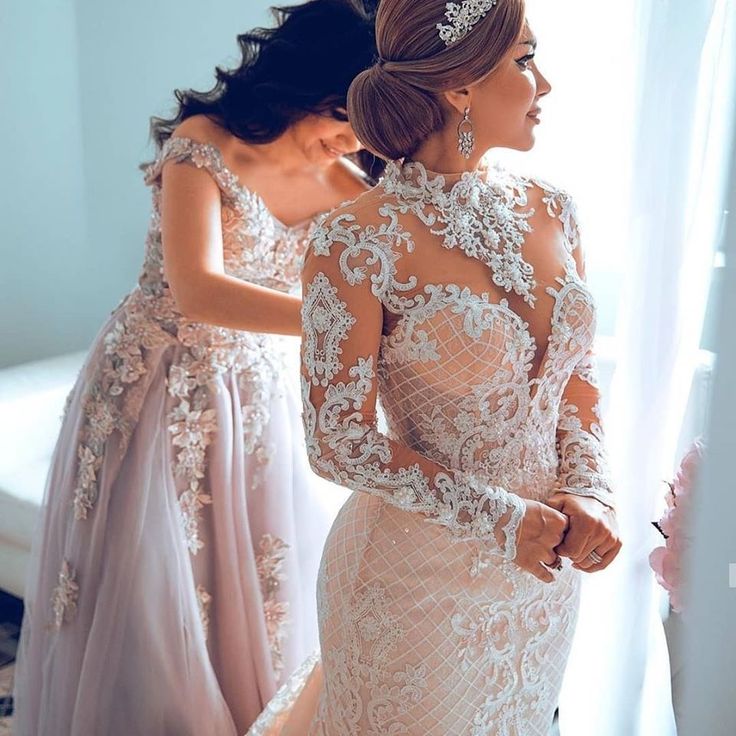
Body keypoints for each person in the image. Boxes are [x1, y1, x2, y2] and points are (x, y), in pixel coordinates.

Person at [247, 0, 622, 733]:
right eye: (524, 59)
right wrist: (498, 517)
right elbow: (338, 441)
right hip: (411, 583)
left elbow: (576, 382)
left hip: (541, 578)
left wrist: (590, 490)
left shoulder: (557, 211)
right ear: (460, 87)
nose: (544, 85)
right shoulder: (354, 240)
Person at [13, 2, 382, 734]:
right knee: (155, 585)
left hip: (257, 394)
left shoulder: (347, 183)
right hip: (158, 384)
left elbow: (408, 257)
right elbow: (198, 287)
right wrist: (334, 322)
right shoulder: (201, 146)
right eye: (341, 121)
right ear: (302, 90)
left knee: (263, 580)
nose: (348, 143)